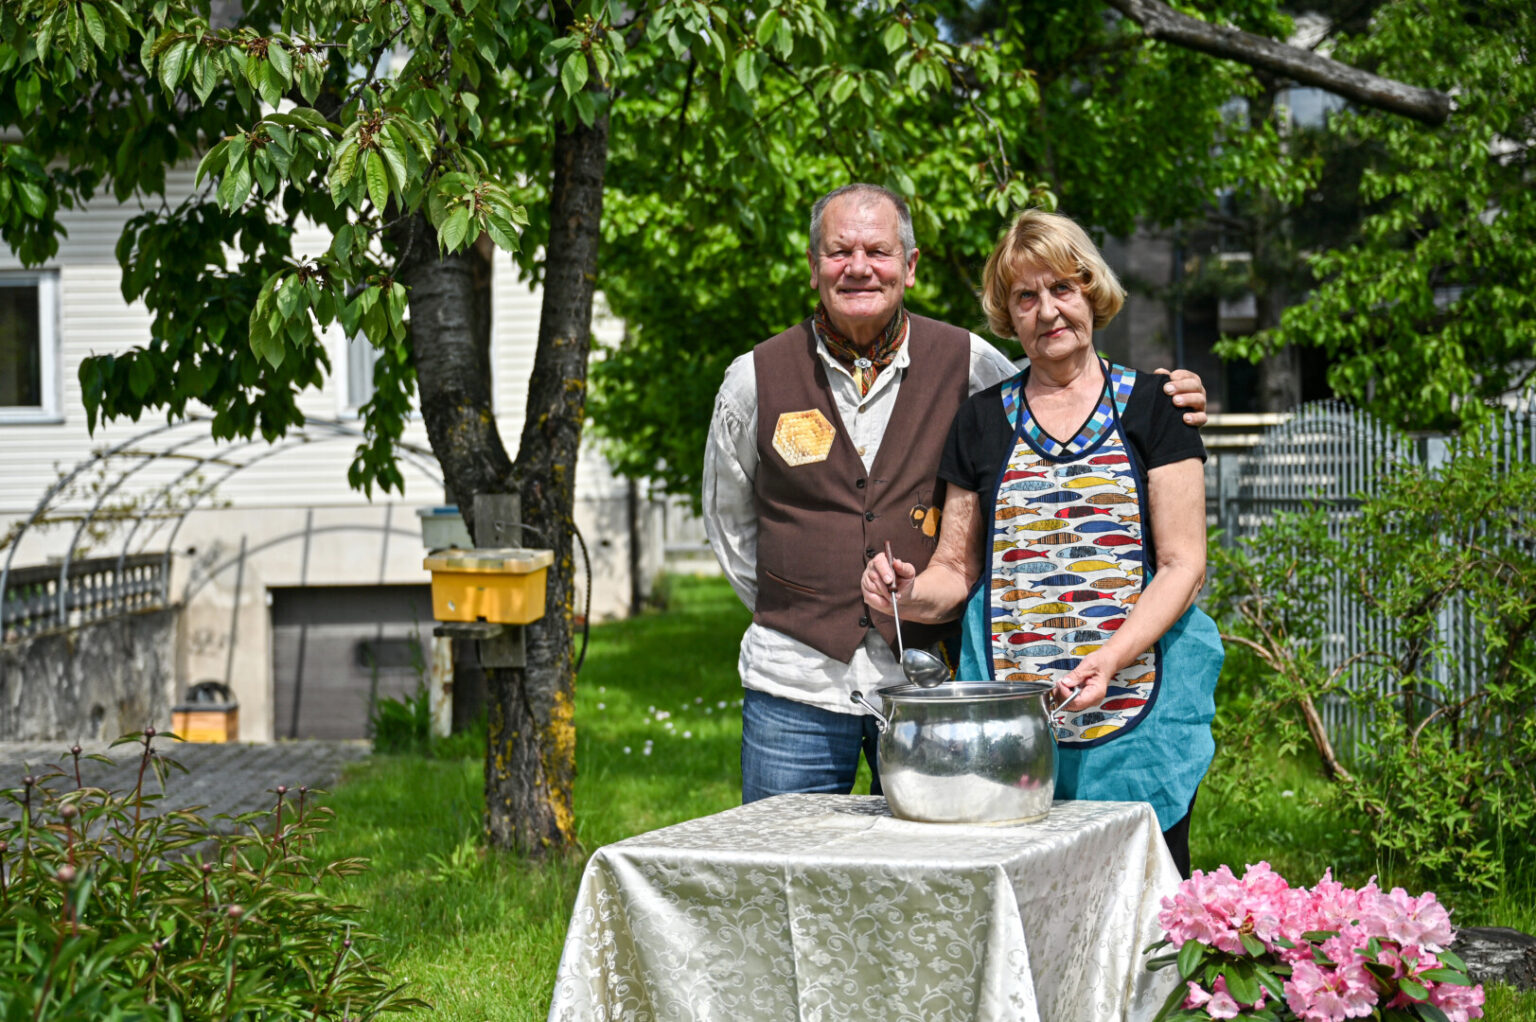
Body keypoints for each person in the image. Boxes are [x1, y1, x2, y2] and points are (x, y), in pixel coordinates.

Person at [703, 184, 1209, 805]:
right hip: (798, 683)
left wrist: (1170, 394)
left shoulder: (970, 363)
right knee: (784, 873)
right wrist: (801, 604)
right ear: (814, 266)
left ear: (909, 267)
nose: (859, 266)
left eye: (879, 251)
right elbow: (729, 527)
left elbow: (1056, 389)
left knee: (929, 880)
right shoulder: (754, 378)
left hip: (936, 689)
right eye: (839, 252)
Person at [858, 208, 1223, 876]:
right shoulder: (980, 422)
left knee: (1147, 902)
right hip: (1018, 722)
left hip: (1140, 708)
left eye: (1062, 288)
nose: (1048, 310)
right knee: (1027, 897)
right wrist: (906, 592)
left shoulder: (1155, 407)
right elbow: (953, 572)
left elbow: (1183, 565)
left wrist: (1109, 659)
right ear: (1009, 315)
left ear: (1092, 292)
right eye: (1026, 297)